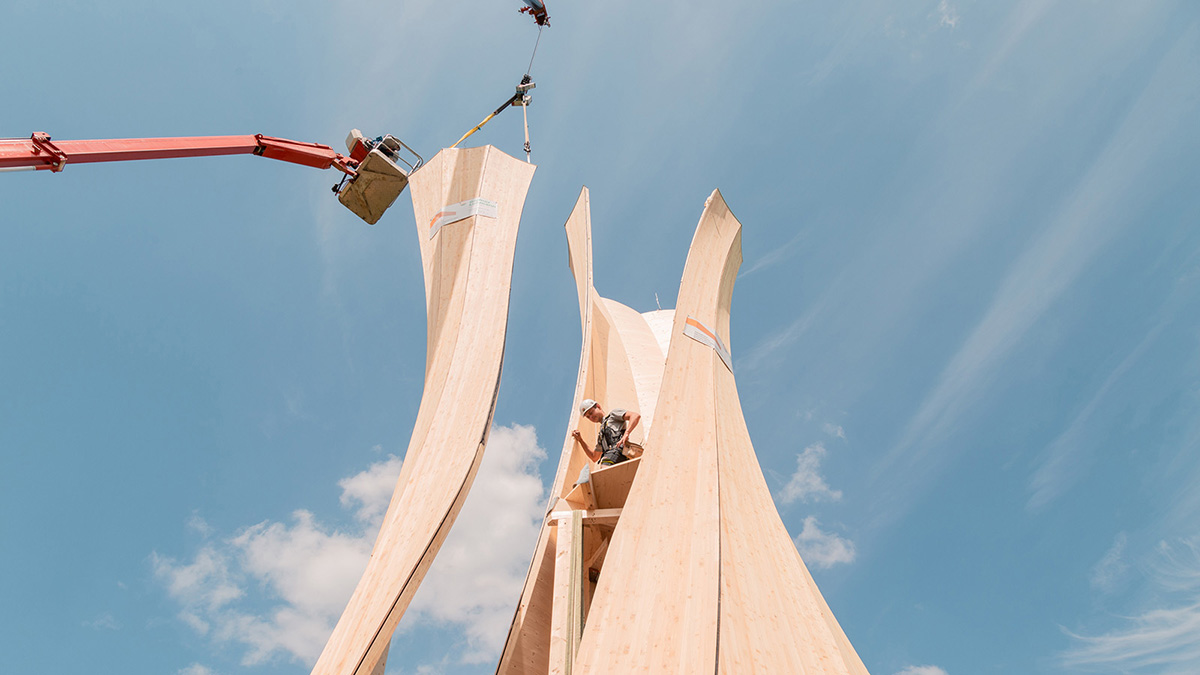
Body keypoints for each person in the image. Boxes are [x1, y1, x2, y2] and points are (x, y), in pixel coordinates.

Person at [570, 398, 641, 466]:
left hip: (620, 451)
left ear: (598, 406)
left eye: (591, 413)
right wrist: (580, 440)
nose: (591, 417)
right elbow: (594, 457)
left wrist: (626, 433)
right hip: (615, 458)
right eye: (588, 417)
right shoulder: (601, 436)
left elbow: (635, 416)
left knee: (605, 463)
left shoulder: (613, 415)